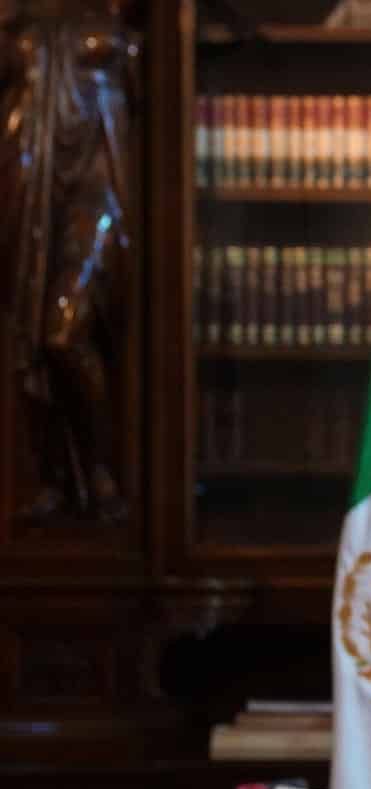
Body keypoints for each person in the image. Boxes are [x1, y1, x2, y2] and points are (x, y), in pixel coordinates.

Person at [0, 0, 137, 523]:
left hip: (95, 181)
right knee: (29, 335)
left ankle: (102, 467)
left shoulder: (111, 12)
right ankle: (53, 475)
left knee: (63, 329)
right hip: (27, 180)